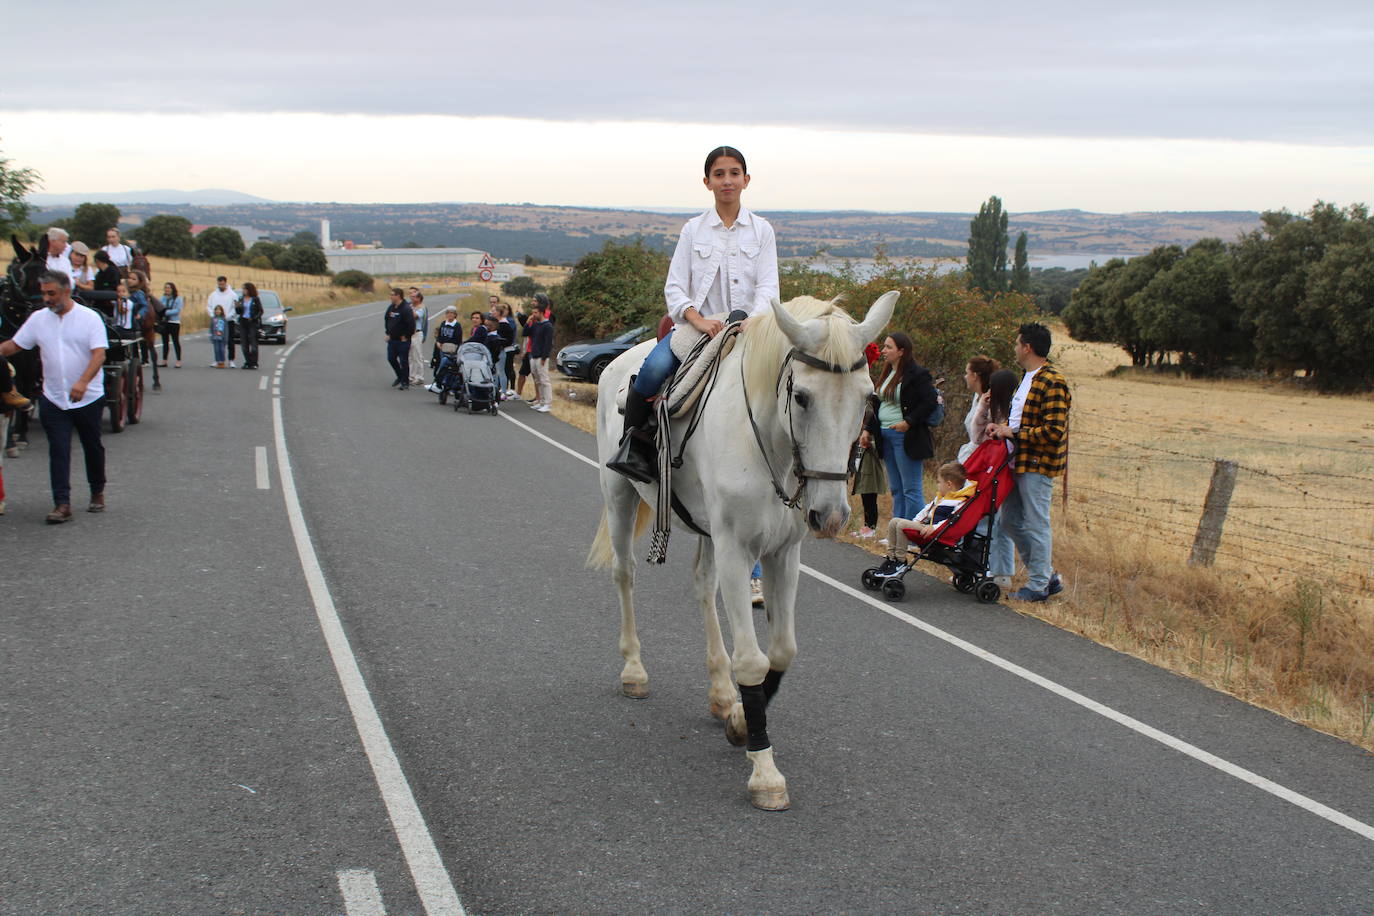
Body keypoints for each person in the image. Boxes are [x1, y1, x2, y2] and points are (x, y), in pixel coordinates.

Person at [607, 145, 779, 482]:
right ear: (707, 182)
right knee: (652, 371)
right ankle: (635, 448)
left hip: (748, 327)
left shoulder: (762, 231)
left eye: (733, 174)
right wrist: (697, 319)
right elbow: (674, 287)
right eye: (719, 174)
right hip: (699, 327)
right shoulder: (693, 230)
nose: (727, 181)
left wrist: (750, 320)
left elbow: (769, 288)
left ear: (746, 180)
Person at [0, 271, 108, 523]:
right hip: (53, 397)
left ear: (66, 291)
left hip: (87, 397)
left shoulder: (89, 319)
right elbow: (16, 345)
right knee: (58, 449)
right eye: (44, 293)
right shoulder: (39, 319)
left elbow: (99, 355)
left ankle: (97, 491)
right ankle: (62, 504)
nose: (47, 298)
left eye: (52, 293)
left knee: (92, 446)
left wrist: (82, 381)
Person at [986, 322, 1072, 602]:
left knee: (1037, 523)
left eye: (1017, 343)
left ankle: (1038, 585)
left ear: (1028, 347)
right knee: (1010, 521)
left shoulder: (1053, 380)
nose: (1014, 348)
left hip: (1037, 464)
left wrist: (1013, 432)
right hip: (1017, 462)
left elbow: (1054, 431)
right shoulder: (1028, 377)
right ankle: (1045, 575)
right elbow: (1019, 420)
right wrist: (1001, 427)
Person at [860, 332, 938, 521]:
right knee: (896, 488)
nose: (883, 351)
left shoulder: (918, 374)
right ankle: (898, 534)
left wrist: (908, 422)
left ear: (901, 351)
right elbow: (879, 404)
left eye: (888, 347)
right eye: (884, 346)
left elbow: (930, 401)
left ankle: (913, 532)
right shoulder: (888, 373)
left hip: (906, 436)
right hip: (885, 436)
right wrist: (868, 430)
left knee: (911, 489)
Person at [873, 462, 977, 575]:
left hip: (938, 532)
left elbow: (951, 521)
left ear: (949, 484)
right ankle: (891, 558)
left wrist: (935, 528)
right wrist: (915, 521)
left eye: (939, 482)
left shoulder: (958, 502)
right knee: (894, 521)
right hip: (928, 528)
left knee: (901, 525)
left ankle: (900, 561)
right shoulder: (942, 497)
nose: (938, 485)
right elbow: (926, 510)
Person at [957, 355, 999, 462]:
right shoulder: (977, 397)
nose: (965, 377)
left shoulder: (990, 402)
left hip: (983, 459)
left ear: (975, 376)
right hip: (971, 455)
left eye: (967, 373)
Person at [383, 288, 415, 389]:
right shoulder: (391, 307)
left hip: (403, 340)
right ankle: (400, 376)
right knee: (391, 358)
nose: (390, 297)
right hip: (392, 339)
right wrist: (388, 333)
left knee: (403, 361)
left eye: (392, 295)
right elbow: (387, 320)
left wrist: (406, 336)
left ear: (398, 296)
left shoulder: (406, 308)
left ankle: (405, 382)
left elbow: (411, 324)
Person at [427, 306, 463, 392]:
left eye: (452, 313)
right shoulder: (443, 323)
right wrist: (438, 342)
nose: (449, 315)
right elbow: (440, 335)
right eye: (448, 313)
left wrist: (450, 346)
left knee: (447, 366)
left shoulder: (457, 326)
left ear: (455, 315)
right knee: (440, 364)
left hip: (451, 350)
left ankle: (444, 383)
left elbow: (458, 339)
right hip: (442, 348)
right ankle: (439, 383)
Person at [527, 301, 554, 412]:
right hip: (534, 355)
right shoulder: (536, 324)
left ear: (542, 313)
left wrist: (544, 357)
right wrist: (528, 322)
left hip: (541, 357)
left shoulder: (547, 326)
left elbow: (548, 343)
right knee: (537, 380)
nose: (534, 315)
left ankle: (547, 403)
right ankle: (541, 401)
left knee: (544, 380)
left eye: (536, 313)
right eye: (533, 312)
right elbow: (526, 333)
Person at [206, 276, 239, 366]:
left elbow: (235, 308)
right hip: (217, 321)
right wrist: (214, 316)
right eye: (219, 284)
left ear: (225, 283)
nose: (221, 285)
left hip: (229, 321)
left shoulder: (233, 295)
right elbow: (209, 306)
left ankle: (231, 360)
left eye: (222, 284)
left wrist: (228, 316)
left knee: (230, 341)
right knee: (217, 341)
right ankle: (218, 360)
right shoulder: (213, 295)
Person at [236, 281, 263, 369]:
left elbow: (260, 311)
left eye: (244, 289)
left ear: (249, 289)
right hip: (243, 322)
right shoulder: (241, 298)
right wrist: (237, 307)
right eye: (242, 289)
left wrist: (254, 318)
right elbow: (238, 312)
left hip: (252, 322)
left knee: (253, 343)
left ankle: (254, 363)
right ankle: (248, 362)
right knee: (244, 344)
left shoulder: (255, 299)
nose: (243, 290)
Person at [159, 282, 184, 367]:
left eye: (169, 288)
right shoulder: (163, 298)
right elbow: (159, 307)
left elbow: (177, 310)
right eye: (166, 288)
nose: (167, 289)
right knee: (165, 342)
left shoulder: (178, 298)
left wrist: (166, 312)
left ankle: (178, 360)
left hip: (174, 322)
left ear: (173, 289)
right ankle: (164, 360)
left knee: (175, 341)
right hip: (165, 322)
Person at [407, 289, 428, 386]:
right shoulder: (410, 306)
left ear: (419, 298)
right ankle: (411, 376)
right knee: (410, 356)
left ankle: (419, 377)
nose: (411, 298)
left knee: (417, 356)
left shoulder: (421, 307)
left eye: (414, 297)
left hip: (417, 333)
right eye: (411, 296)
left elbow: (414, 316)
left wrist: (409, 309)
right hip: (409, 334)